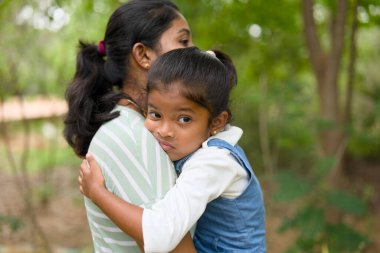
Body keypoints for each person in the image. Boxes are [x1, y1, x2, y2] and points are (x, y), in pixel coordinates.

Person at [79, 47, 266, 252]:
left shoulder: (215, 162)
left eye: (184, 119)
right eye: (155, 114)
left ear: (216, 122)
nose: (165, 131)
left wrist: (98, 193)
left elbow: (160, 236)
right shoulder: (192, 146)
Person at [63, 1, 196, 252]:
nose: (194, 50)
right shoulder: (132, 135)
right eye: (184, 41)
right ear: (144, 55)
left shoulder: (141, 126)